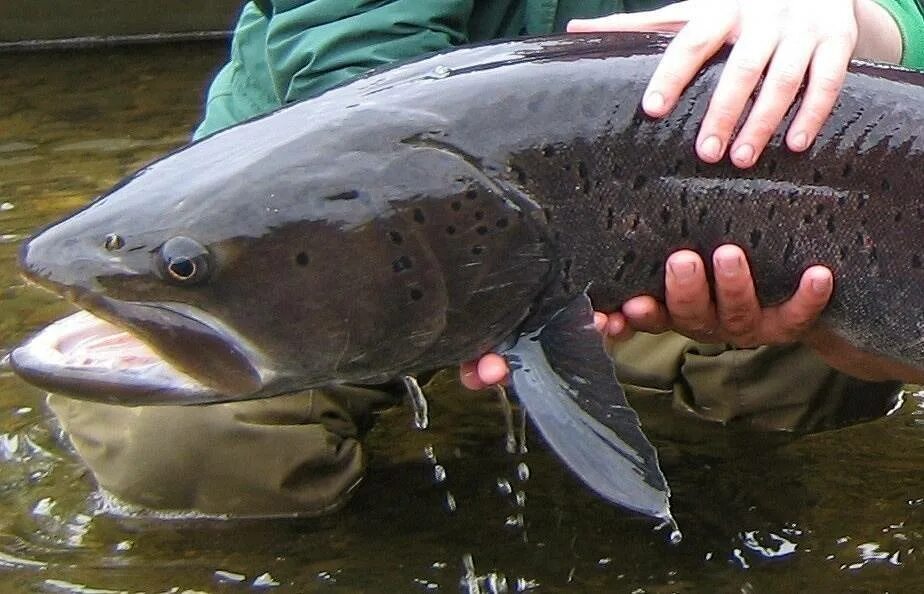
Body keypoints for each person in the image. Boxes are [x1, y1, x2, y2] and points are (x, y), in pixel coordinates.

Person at [48, 0, 924, 516]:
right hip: (303, 241)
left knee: (812, 363)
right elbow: (359, 105)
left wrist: (861, 19)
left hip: (625, 243)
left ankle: (662, 497)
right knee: (185, 449)